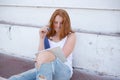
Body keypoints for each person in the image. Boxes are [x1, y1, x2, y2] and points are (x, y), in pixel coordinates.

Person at [9, 9, 76, 80]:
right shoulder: (48, 35)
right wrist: (42, 38)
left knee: (44, 58)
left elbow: (62, 56)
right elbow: (39, 57)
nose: (58, 25)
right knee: (17, 78)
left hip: (63, 71)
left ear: (66, 24)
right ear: (52, 22)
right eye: (56, 22)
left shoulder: (70, 35)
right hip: (46, 67)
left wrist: (45, 56)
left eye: (61, 23)